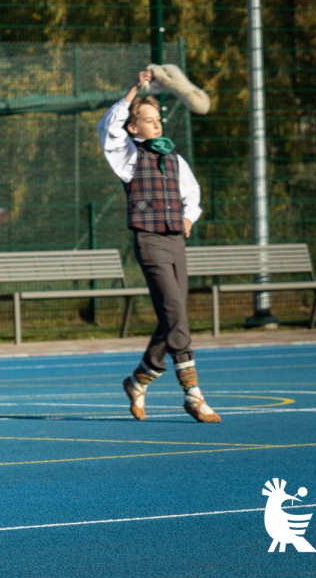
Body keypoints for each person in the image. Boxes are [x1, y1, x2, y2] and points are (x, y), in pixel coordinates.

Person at [98, 68, 221, 424]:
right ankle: (193, 395)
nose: (156, 125)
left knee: (174, 313)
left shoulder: (174, 159)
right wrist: (134, 88)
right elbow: (107, 128)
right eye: (147, 120)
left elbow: (192, 195)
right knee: (175, 314)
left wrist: (189, 217)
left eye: (157, 119)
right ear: (133, 128)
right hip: (149, 240)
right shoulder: (127, 157)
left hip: (174, 241)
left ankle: (140, 380)